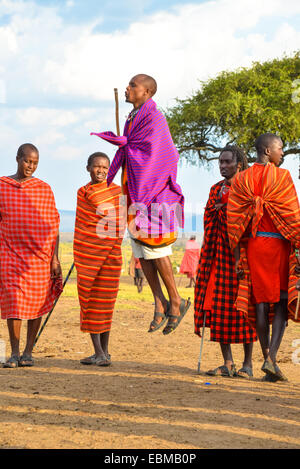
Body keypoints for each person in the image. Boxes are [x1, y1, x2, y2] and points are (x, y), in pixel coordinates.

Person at [91, 74, 190, 335]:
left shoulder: (155, 119)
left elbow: (162, 157)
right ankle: (159, 303)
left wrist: (129, 148)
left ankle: (177, 301)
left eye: (132, 85)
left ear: (146, 92)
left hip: (153, 194)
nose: (127, 88)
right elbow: (132, 150)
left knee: (156, 250)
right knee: (140, 251)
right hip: (133, 193)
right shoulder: (132, 118)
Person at [227, 133, 300, 382]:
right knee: (280, 301)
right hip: (279, 246)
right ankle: (271, 359)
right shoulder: (282, 177)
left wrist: (238, 256)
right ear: (268, 151)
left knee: (260, 302)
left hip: (255, 246)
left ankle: (267, 355)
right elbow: (293, 217)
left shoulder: (243, 179)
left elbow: (234, 220)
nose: (283, 153)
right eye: (280, 148)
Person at [194, 146, 257, 378]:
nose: (222, 166)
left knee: (244, 309)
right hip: (219, 257)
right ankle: (228, 362)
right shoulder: (215, 190)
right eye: (220, 162)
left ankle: (247, 364)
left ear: (238, 163)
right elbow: (210, 217)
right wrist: (221, 211)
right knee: (220, 308)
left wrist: (228, 210)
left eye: (227, 162)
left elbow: (253, 217)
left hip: (243, 258)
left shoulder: (248, 188)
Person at [0, 143, 62, 368]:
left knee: (37, 302)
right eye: (27, 161)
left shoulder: (43, 189)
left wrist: (54, 259)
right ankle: (14, 353)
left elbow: (54, 225)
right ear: (18, 159)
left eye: (35, 163)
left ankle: (28, 351)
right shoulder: (2, 186)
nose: (30, 166)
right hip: (9, 254)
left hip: (39, 256)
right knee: (13, 302)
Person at [74, 152, 124, 366]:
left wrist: (107, 244)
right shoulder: (83, 192)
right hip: (88, 256)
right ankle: (99, 352)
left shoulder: (116, 191)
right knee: (90, 302)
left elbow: (120, 222)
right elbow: (83, 224)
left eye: (105, 167)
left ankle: (104, 353)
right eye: (97, 167)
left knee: (105, 304)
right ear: (88, 168)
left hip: (111, 255)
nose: (101, 171)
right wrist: (90, 246)